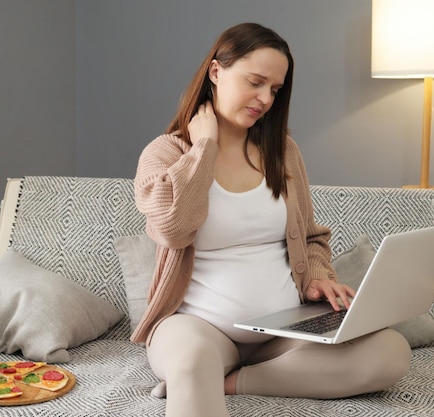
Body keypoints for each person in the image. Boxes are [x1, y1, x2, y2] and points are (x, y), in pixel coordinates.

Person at [131, 22, 411, 417]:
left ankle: (234, 382)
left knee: (391, 352)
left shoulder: (283, 151)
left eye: (275, 90)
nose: (264, 99)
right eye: (255, 82)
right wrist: (205, 147)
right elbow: (174, 229)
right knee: (192, 363)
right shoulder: (165, 153)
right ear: (216, 72)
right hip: (197, 329)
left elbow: (312, 237)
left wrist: (318, 276)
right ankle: (205, 374)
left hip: (282, 332)